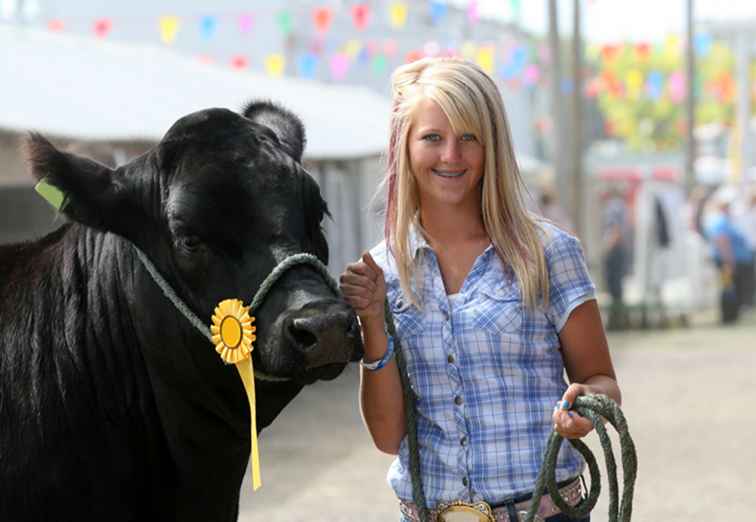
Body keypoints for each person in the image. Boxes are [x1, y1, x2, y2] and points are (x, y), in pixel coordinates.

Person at [339, 58, 621, 522]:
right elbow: (388, 438)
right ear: (404, 147)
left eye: (469, 137)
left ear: (492, 147)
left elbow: (602, 380)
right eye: (433, 137)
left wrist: (586, 409)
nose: (451, 154)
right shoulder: (382, 273)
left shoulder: (549, 253)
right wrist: (371, 320)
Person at [601, 186, 630, 330]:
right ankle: (619, 319)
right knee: (617, 286)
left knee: (614, 285)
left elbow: (615, 229)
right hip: (620, 248)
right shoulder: (622, 205)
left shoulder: (614, 206)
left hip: (614, 248)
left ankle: (616, 320)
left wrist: (608, 248)